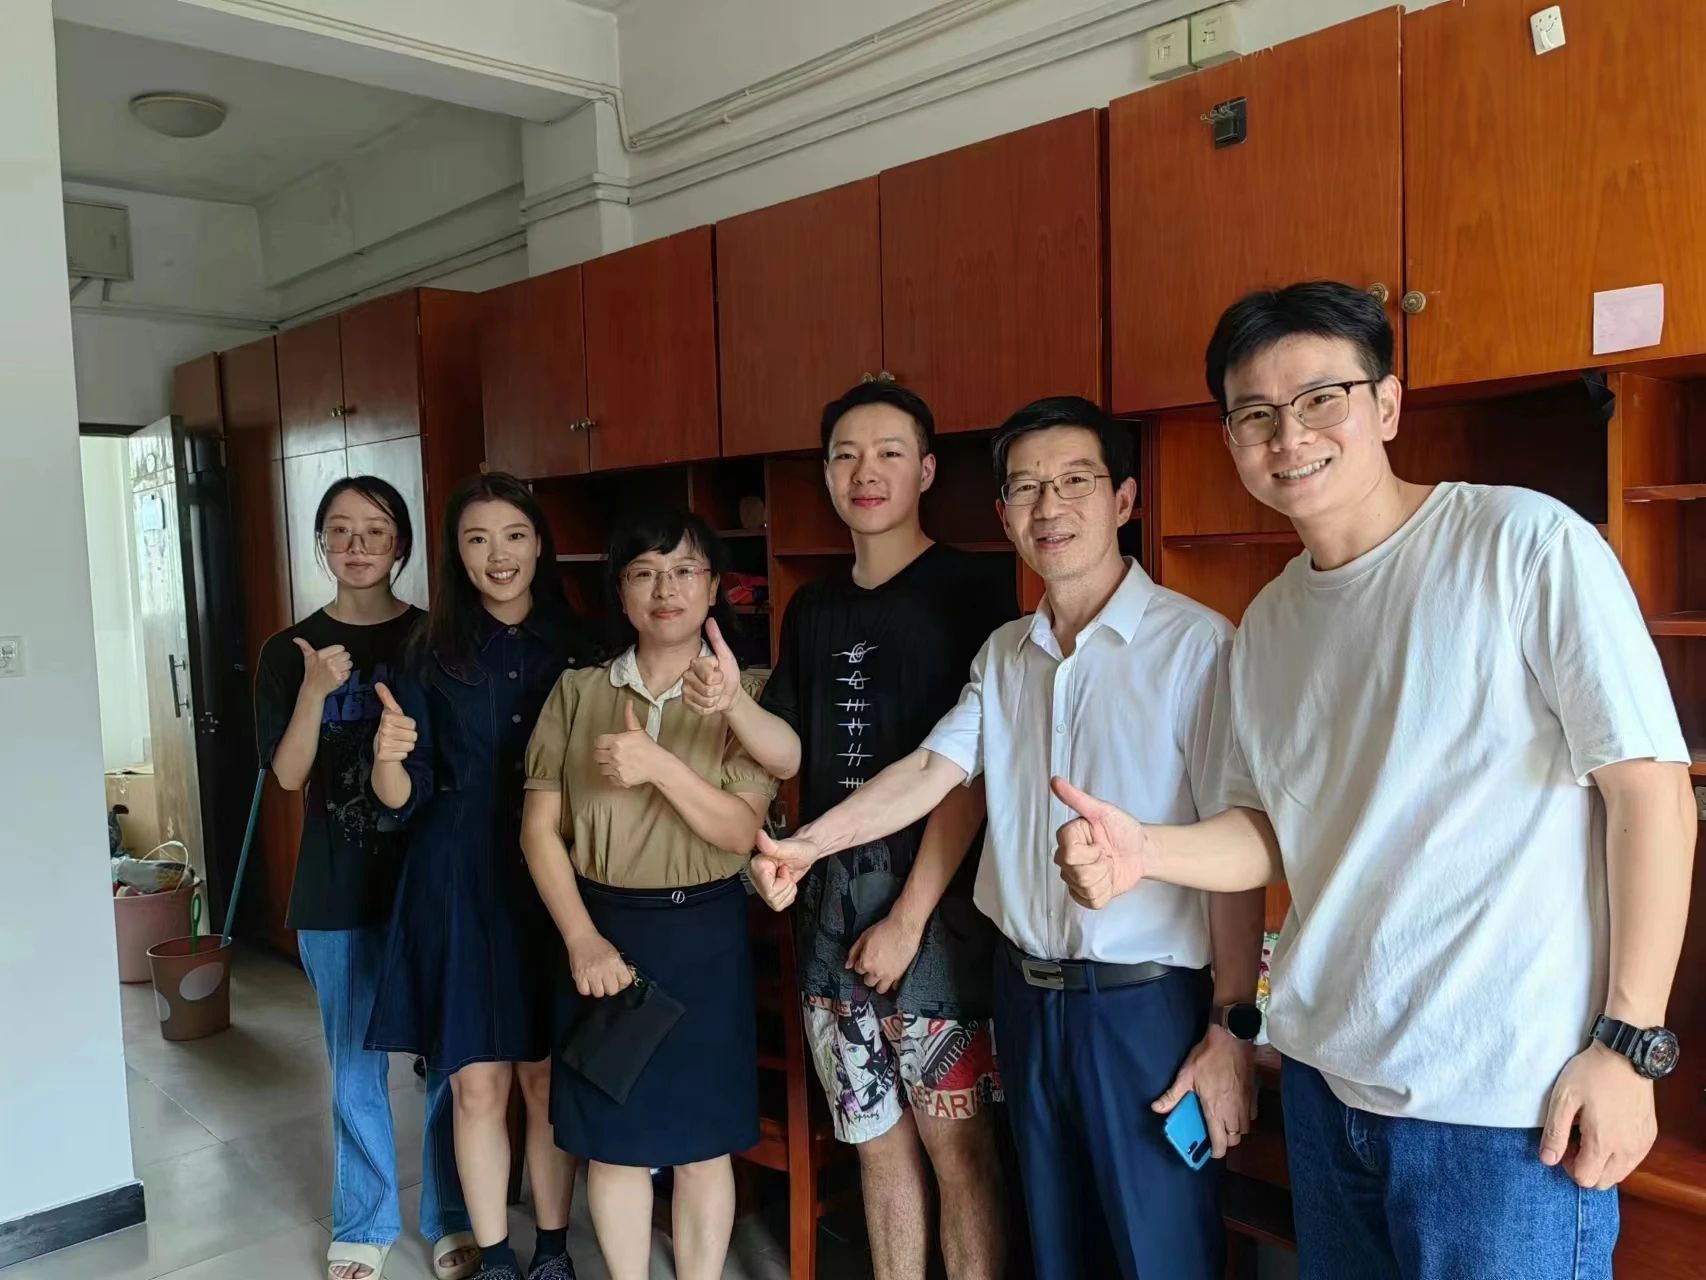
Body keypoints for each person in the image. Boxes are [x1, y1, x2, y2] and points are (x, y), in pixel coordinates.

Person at [1050, 282, 1697, 1280]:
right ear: (1232, 440)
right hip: (1328, 1083)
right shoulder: (1269, 623)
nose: (1289, 435)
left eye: (1320, 398)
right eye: (1255, 414)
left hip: (1505, 1111)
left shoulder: (1523, 545)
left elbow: (1650, 793)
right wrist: (1147, 850)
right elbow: (1270, 831)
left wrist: (1628, 1044)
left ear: (1386, 405)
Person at [751, 396, 1266, 1280]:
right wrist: (809, 845)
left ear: (1124, 499)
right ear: (1003, 515)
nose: (1048, 506)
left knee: (1158, 1255)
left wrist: (1231, 1029)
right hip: (1022, 997)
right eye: (1025, 488)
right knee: (1052, 1248)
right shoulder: (1005, 656)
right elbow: (930, 770)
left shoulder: (1197, 647)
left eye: (1075, 481)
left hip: (1142, 1007)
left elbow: (1240, 843)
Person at [685, 380, 1013, 1280]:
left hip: (940, 914)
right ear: (827, 474)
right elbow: (794, 749)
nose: (866, 472)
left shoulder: (979, 590)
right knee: (873, 1138)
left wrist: (910, 916)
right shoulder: (814, 605)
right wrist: (733, 704)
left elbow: (974, 771)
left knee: (959, 1147)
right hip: (829, 909)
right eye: (845, 456)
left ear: (927, 470)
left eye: (889, 453)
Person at [519, 508, 777, 1280]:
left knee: (703, 1146)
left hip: (706, 937)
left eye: (684, 570)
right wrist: (581, 939)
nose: (665, 589)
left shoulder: (748, 694)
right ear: (621, 593)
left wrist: (659, 765)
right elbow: (538, 833)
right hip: (604, 934)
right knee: (615, 1144)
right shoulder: (577, 691)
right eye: (644, 573)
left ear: (714, 587)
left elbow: (738, 829)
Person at [365, 472, 592, 1280]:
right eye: (477, 538)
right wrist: (387, 761)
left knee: (546, 1080)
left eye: (515, 535)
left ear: (540, 544)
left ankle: (553, 1251)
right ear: (456, 556)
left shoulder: (583, 647)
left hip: (558, 880)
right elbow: (404, 797)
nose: (499, 555)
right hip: (458, 882)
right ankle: (495, 1256)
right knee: (476, 1086)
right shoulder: (426, 655)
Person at [254, 476, 477, 1280]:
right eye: (340, 530)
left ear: (401, 546)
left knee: (449, 1060)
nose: (357, 546)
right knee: (353, 1062)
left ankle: (451, 1214)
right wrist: (316, 691)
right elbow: (288, 776)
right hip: (334, 882)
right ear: (321, 543)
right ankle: (365, 1218)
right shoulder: (290, 651)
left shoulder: (435, 637)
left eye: (375, 531)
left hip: (430, 876)